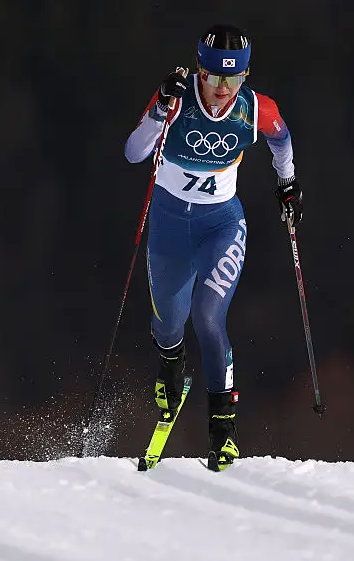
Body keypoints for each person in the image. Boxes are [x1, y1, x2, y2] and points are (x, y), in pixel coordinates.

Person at [124, 24, 302, 470]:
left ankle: (223, 434)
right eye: (214, 77)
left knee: (207, 315)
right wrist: (159, 108)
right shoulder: (177, 98)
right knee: (167, 325)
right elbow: (133, 152)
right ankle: (172, 364)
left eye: (233, 79)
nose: (222, 89)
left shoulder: (255, 109)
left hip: (220, 226)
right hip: (168, 228)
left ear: (244, 77)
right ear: (199, 70)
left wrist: (288, 182)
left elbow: (281, 139)